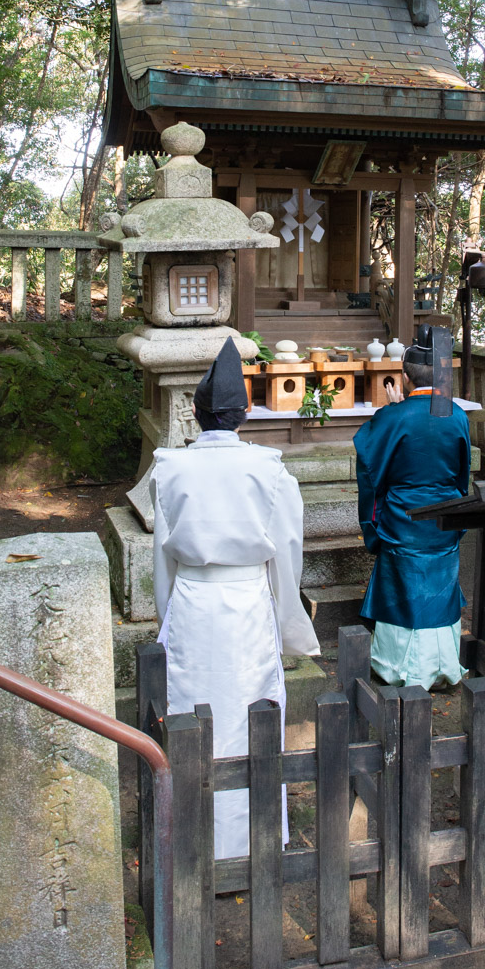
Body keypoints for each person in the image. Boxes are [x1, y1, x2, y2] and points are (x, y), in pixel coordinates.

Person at [145, 336, 320, 859]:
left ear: (195, 413)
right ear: (243, 414)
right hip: (247, 605)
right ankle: (253, 835)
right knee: (251, 716)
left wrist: (167, 615)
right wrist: (289, 622)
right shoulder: (268, 469)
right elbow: (287, 554)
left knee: (192, 711)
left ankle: (191, 836)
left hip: (194, 604)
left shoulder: (170, 468)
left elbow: (163, 559)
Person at [354, 327, 470, 690]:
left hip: (403, 520)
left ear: (404, 378)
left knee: (403, 586)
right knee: (439, 585)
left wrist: (393, 411)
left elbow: (372, 474)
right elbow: (462, 474)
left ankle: (397, 668)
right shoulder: (457, 416)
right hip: (445, 518)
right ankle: (444, 666)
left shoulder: (393, 418)